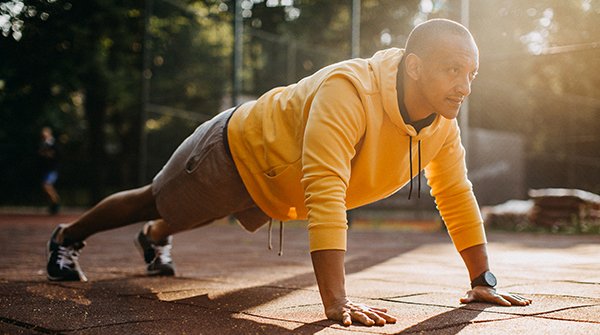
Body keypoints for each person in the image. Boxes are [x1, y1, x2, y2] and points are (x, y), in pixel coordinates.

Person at [46, 19, 532, 327]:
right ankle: (68, 238)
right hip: (233, 152)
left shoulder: (442, 127)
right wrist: (336, 302)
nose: (464, 86)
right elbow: (326, 188)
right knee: (157, 198)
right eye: (453, 70)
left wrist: (482, 278)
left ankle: (154, 238)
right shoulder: (350, 91)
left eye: (472, 73)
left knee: (192, 215)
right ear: (414, 67)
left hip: (278, 186)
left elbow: (455, 193)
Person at [39, 126, 61, 215]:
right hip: (46, 170)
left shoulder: (54, 144)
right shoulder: (42, 145)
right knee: (46, 187)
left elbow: (58, 156)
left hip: (53, 170)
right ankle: (53, 204)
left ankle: (56, 203)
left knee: (47, 186)